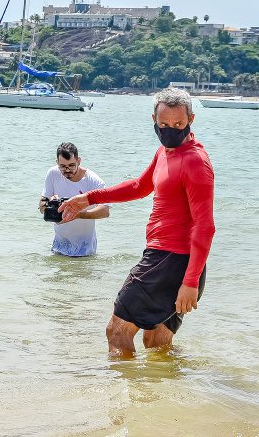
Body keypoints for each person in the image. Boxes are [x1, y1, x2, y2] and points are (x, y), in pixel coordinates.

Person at [60, 88, 215, 357]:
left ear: (191, 119)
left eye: (178, 124)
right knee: (157, 345)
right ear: (153, 120)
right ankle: (161, 398)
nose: (170, 130)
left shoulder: (195, 162)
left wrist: (190, 282)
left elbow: (205, 226)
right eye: (163, 124)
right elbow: (139, 187)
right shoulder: (165, 151)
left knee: (117, 331)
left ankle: (118, 399)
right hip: (172, 262)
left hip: (170, 261)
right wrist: (89, 198)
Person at [39, 142, 109, 256]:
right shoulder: (52, 174)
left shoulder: (93, 181)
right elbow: (41, 207)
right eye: (62, 166)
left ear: (79, 161)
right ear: (57, 163)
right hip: (59, 246)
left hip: (85, 249)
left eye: (71, 165)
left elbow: (105, 211)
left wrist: (78, 214)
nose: (67, 170)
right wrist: (49, 203)